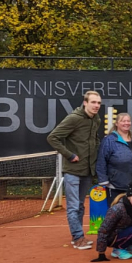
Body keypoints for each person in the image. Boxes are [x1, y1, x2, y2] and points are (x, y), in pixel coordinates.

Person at [47, 90, 104, 249]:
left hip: (87, 171)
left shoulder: (96, 119)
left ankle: (77, 237)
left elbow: (94, 139)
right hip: (72, 170)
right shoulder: (73, 118)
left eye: (98, 103)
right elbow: (52, 137)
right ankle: (78, 238)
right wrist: (69, 155)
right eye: (93, 102)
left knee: (80, 205)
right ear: (85, 103)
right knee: (73, 206)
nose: (96, 106)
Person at [91, 183, 132, 262]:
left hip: (128, 229)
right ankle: (118, 249)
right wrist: (101, 253)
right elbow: (103, 229)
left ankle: (129, 245)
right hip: (113, 236)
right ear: (128, 197)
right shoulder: (117, 209)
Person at [96, 112, 132, 202]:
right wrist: (104, 180)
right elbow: (101, 160)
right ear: (117, 123)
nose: (126, 123)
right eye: (123, 121)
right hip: (116, 186)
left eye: (128, 121)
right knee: (116, 212)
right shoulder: (109, 140)